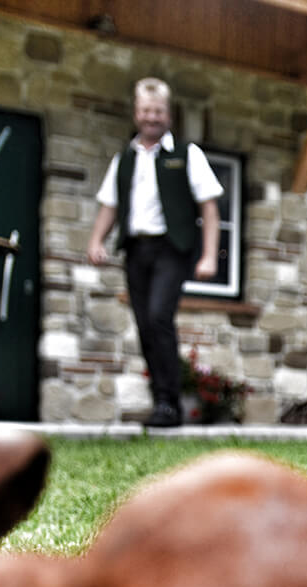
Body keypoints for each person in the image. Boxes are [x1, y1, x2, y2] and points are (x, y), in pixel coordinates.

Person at [87, 77, 224, 428]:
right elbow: (109, 205)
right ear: (137, 113)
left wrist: (209, 255)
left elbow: (209, 207)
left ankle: (170, 403)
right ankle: (161, 401)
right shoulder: (125, 159)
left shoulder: (186, 154)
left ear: (168, 115)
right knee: (145, 323)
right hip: (136, 248)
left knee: (160, 315)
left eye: (158, 111)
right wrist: (96, 240)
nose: (152, 118)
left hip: (172, 247)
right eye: (146, 111)